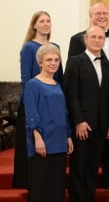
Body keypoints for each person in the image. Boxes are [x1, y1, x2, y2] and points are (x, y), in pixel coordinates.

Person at [68, 2, 109, 190]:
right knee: (82, 162)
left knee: (103, 153)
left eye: (105, 13)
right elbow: (71, 90)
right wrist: (78, 119)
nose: (102, 16)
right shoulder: (76, 50)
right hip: (85, 113)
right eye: (97, 13)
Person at [64, 26, 109, 202]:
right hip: (82, 125)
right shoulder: (75, 61)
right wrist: (78, 121)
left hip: (101, 125)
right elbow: (71, 95)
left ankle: (88, 198)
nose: (97, 40)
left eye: (100, 38)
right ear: (85, 40)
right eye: (93, 37)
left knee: (93, 167)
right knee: (79, 167)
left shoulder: (107, 64)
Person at [14, 11, 64, 189]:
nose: (45, 24)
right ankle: (28, 181)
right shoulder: (28, 47)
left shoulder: (55, 46)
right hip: (33, 102)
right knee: (32, 143)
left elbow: (59, 77)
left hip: (52, 101)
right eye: (41, 21)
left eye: (48, 20)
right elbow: (26, 78)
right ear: (34, 25)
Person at [24, 44, 73, 201]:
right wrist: (37, 138)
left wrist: (68, 136)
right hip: (43, 142)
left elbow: (63, 113)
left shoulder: (57, 85)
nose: (53, 63)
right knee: (41, 187)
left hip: (59, 142)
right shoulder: (33, 84)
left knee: (57, 187)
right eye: (49, 60)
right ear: (40, 62)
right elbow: (32, 114)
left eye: (56, 60)